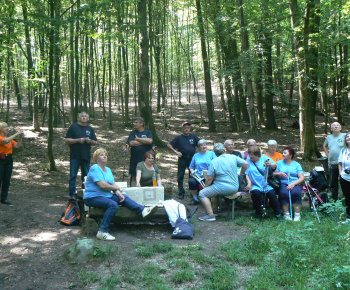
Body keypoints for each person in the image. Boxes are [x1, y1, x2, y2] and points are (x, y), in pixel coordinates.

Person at [84, 148, 158, 241]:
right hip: (92, 197)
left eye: (105, 155)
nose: (104, 156)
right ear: (96, 159)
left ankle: (143, 210)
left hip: (106, 196)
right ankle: (102, 231)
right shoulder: (95, 168)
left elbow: (113, 184)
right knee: (113, 205)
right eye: (101, 155)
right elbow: (102, 185)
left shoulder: (108, 169)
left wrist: (118, 193)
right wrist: (116, 189)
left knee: (124, 197)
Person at [197, 143, 248, 221]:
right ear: (224, 150)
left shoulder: (214, 161)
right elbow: (245, 164)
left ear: (215, 153)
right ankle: (215, 210)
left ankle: (211, 215)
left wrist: (206, 187)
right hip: (234, 187)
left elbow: (209, 178)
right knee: (214, 191)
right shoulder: (233, 157)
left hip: (222, 187)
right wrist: (241, 173)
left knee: (202, 193)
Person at [65, 112, 98, 198]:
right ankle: (72, 194)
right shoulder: (73, 127)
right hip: (74, 155)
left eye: (85, 116)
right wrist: (78, 140)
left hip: (86, 155)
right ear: (78, 118)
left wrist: (90, 141)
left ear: (88, 118)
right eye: (82, 116)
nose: (84, 118)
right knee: (73, 175)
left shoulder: (90, 129)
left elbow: (95, 142)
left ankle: (85, 193)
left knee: (86, 176)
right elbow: (67, 140)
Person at [245, 146, 282, 220]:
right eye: (250, 155)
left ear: (258, 155)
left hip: (266, 184)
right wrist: (249, 183)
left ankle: (278, 214)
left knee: (272, 195)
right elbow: (247, 174)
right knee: (256, 194)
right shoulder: (248, 161)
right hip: (255, 184)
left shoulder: (265, 158)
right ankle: (258, 213)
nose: (251, 157)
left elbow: (275, 165)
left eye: (252, 156)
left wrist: (270, 164)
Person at [167, 122, 199, 199]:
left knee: (192, 176)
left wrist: (199, 154)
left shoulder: (193, 137)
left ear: (190, 129)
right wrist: (176, 152)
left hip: (191, 159)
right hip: (182, 159)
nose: (186, 129)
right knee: (180, 176)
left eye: (187, 127)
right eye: (184, 128)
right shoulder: (179, 138)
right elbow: (169, 145)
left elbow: (201, 144)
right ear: (182, 129)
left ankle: (193, 193)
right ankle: (181, 193)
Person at [274, 147, 305, 221]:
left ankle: (297, 214)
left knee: (295, 193)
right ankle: (286, 214)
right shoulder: (279, 163)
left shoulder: (296, 164)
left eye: (285, 153)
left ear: (290, 155)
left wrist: (293, 184)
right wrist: (279, 173)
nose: (282, 154)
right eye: (283, 152)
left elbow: (302, 178)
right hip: (284, 183)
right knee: (284, 194)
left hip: (295, 183)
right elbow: (274, 173)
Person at [124, 117, 153, 187]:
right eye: (135, 122)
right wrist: (144, 141)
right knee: (134, 176)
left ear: (142, 123)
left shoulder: (148, 132)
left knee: (146, 176)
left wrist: (138, 139)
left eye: (136, 122)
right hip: (134, 159)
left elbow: (150, 141)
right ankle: (133, 194)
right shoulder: (133, 133)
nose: (135, 124)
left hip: (146, 159)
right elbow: (131, 143)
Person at [0, 122, 23, 205]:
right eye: (5, 127)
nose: (7, 128)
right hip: (1, 160)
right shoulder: (2, 138)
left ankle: (4, 198)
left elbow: (17, 145)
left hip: (9, 160)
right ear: (1, 128)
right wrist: (17, 133)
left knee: (7, 180)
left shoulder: (8, 138)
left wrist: (20, 137)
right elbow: (5, 141)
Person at [188, 139, 216, 205]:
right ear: (199, 147)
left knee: (208, 182)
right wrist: (192, 172)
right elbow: (191, 167)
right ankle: (195, 199)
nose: (204, 146)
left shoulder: (212, 153)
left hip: (209, 175)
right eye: (201, 145)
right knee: (191, 182)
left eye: (205, 145)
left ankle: (209, 199)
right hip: (197, 175)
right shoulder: (196, 156)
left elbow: (216, 163)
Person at [323, 122, 346, 201]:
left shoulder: (344, 135)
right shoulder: (329, 137)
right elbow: (324, 146)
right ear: (331, 129)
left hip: (344, 163)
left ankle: (345, 198)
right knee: (333, 182)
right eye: (334, 126)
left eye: (337, 125)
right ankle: (334, 200)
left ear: (340, 128)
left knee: (344, 181)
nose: (336, 127)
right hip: (332, 163)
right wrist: (328, 155)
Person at [338, 132, 350, 223]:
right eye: (347, 137)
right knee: (347, 198)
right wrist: (340, 174)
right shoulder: (343, 150)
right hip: (345, 178)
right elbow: (340, 163)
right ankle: (349, 217)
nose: (348, 138)